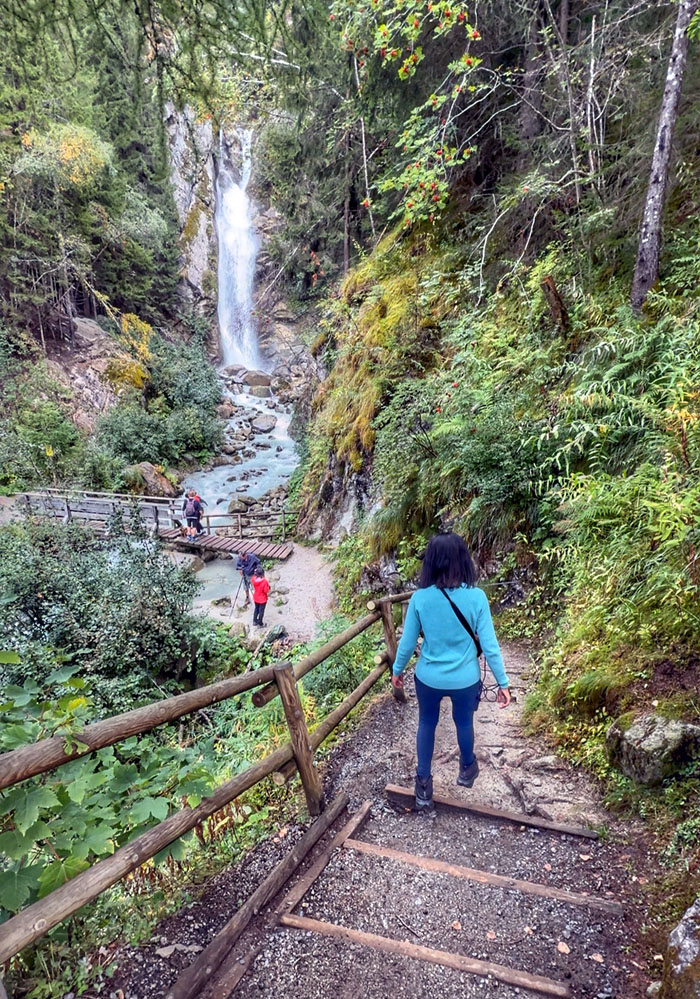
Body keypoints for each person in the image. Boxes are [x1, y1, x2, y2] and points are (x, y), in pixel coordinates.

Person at [392, 532, 511, 811]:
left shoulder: (420, 599)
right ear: (463, 560)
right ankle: (467, 769)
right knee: (464, 722)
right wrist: (503, 683)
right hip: (465, 679)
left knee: (426, 724)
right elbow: (491, 646)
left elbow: (408, 643)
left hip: (428, 678)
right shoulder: (477, 598)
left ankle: (423, 786)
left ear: (431, 563)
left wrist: (397, 670)